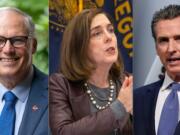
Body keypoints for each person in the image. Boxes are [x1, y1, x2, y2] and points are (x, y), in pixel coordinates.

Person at [49, 8, 133, 135]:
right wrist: (120, 107)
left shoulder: (128, 82)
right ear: (79, 46)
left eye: (110, 30)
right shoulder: (60, 84)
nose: (109, 37)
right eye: (97, 33)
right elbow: (62, 132)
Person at [0, 7, 48, 135]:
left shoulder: (59, 95)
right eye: (0, 41)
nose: (8, 50)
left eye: (18, 40)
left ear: (33, 46)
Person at [134, 4, 180, 135]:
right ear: (156, 48)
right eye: (163, 40)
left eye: (178, 38)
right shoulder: (137, 99)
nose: (171, 49)